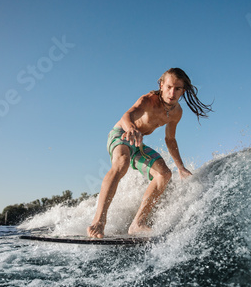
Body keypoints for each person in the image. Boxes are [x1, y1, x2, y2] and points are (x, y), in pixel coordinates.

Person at [87, 68, 212, 238]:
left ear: (183, 91)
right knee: (122, 163)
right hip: (121, 134)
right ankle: (99, 221)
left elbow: (170, 139)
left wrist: (181, 167)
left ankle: (138, 222)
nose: (172, 93)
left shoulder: (177, 113)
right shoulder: (148, 100)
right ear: (161, 85)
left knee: (165, 174)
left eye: (177, 89)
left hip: (137, 143)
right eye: (168, 87)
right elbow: (126, 116)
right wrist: (131, 128)